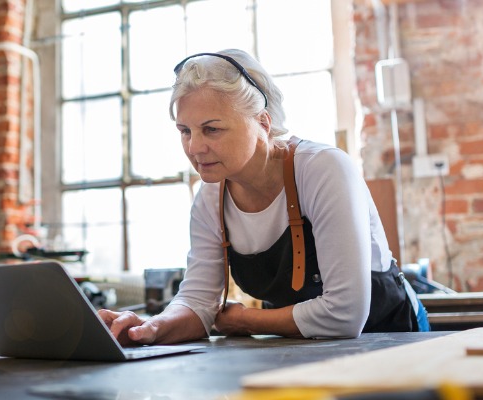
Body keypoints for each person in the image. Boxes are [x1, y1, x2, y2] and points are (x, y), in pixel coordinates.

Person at [98, 49, 430, 346]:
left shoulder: (323, 169)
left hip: (393, 342)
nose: (194, 147)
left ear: (263, 122)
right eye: (185, 131)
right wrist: (152, 327)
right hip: (299, 351)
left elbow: (345, 314)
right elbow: (198, 302)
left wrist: (246, 320)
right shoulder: (210, 198)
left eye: (212, 129)